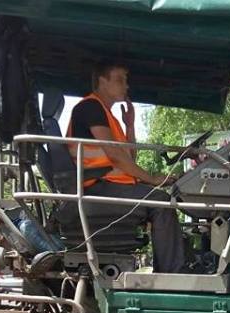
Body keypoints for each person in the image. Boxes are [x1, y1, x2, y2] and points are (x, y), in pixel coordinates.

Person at [66, 61, 185, 273]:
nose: (126, 86)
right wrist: (152, 179)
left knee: (159, 197)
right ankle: (172, 273)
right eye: (120, 80)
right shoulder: (90, 107)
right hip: (95, 186)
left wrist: (129, 124)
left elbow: (128, 156)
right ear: (102, 81)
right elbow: (115, 156)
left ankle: (171, 268)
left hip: (108, 184)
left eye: (126, 80)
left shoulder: (107, 115)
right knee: (161, 201)